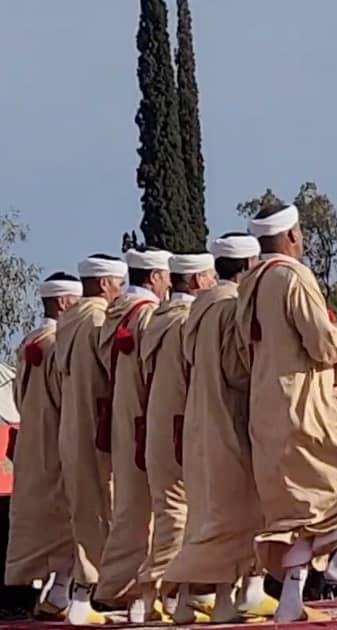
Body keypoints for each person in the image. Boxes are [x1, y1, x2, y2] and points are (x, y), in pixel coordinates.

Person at [234, 204, 337, 622]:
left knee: (300, 509)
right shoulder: (293, 276)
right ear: (293, 234)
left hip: (266, 411)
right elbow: (324, 343)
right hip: (305, 407)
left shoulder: (249, 285)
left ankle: (291, 602)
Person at [166, 233, 279, 623]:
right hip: (229, 421)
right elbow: (237, 369)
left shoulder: (196, 311)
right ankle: (226, 601)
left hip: (199, 421)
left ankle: (186, 601)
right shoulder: (232, 308)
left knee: (205, 516)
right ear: (249, 267)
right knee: (236, 517)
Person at [136, 253, 217, 623]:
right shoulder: (185, 322)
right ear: (198, 281)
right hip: (181, 427)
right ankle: (150, 593)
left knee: (175, 514)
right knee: (177, 515)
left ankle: (176, 598)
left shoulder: (158, 318)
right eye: (211, 275)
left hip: (158, 423)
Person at [95, 247, 172, 620]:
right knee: (153, 509)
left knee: (129, 506)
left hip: (122, 414)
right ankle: (141, 591)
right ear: (155, 277)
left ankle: (116, 585)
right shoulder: (146, 316)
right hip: (144, 415)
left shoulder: (116, 314)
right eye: (166, 276)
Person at [5, 273, 83, 620]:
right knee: (71, 515)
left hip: (34, 440)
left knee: (48, 516)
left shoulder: (29, 342)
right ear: (65, 302)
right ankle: (64, 592)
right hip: (60, 438)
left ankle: (58, 591)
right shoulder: (59, 343)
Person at [57, 254, 127, 626]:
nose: (121, 292)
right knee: (114, 510)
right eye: (119, 284)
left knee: (86, 513)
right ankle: (104, 595)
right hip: (100, 431)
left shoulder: (66, 322)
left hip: (72, 432)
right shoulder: (99, 319)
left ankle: (82, 597)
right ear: (104, 285)